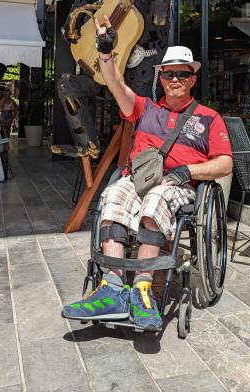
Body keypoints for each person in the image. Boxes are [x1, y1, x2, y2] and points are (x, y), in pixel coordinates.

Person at [61, 16, 233, 331]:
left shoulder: (209, 118)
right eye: (169, 74)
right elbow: (115, 83)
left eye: (182, 73)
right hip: (137, 179)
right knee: (112, 194)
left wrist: (188, 171)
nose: (175, 78)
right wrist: (105, 50)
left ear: (192, 78)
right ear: (162, 78)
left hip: (175, 186)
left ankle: (142, 287)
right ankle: (112, 287)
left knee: (156, 199)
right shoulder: (145, 108)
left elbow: (225, 163)